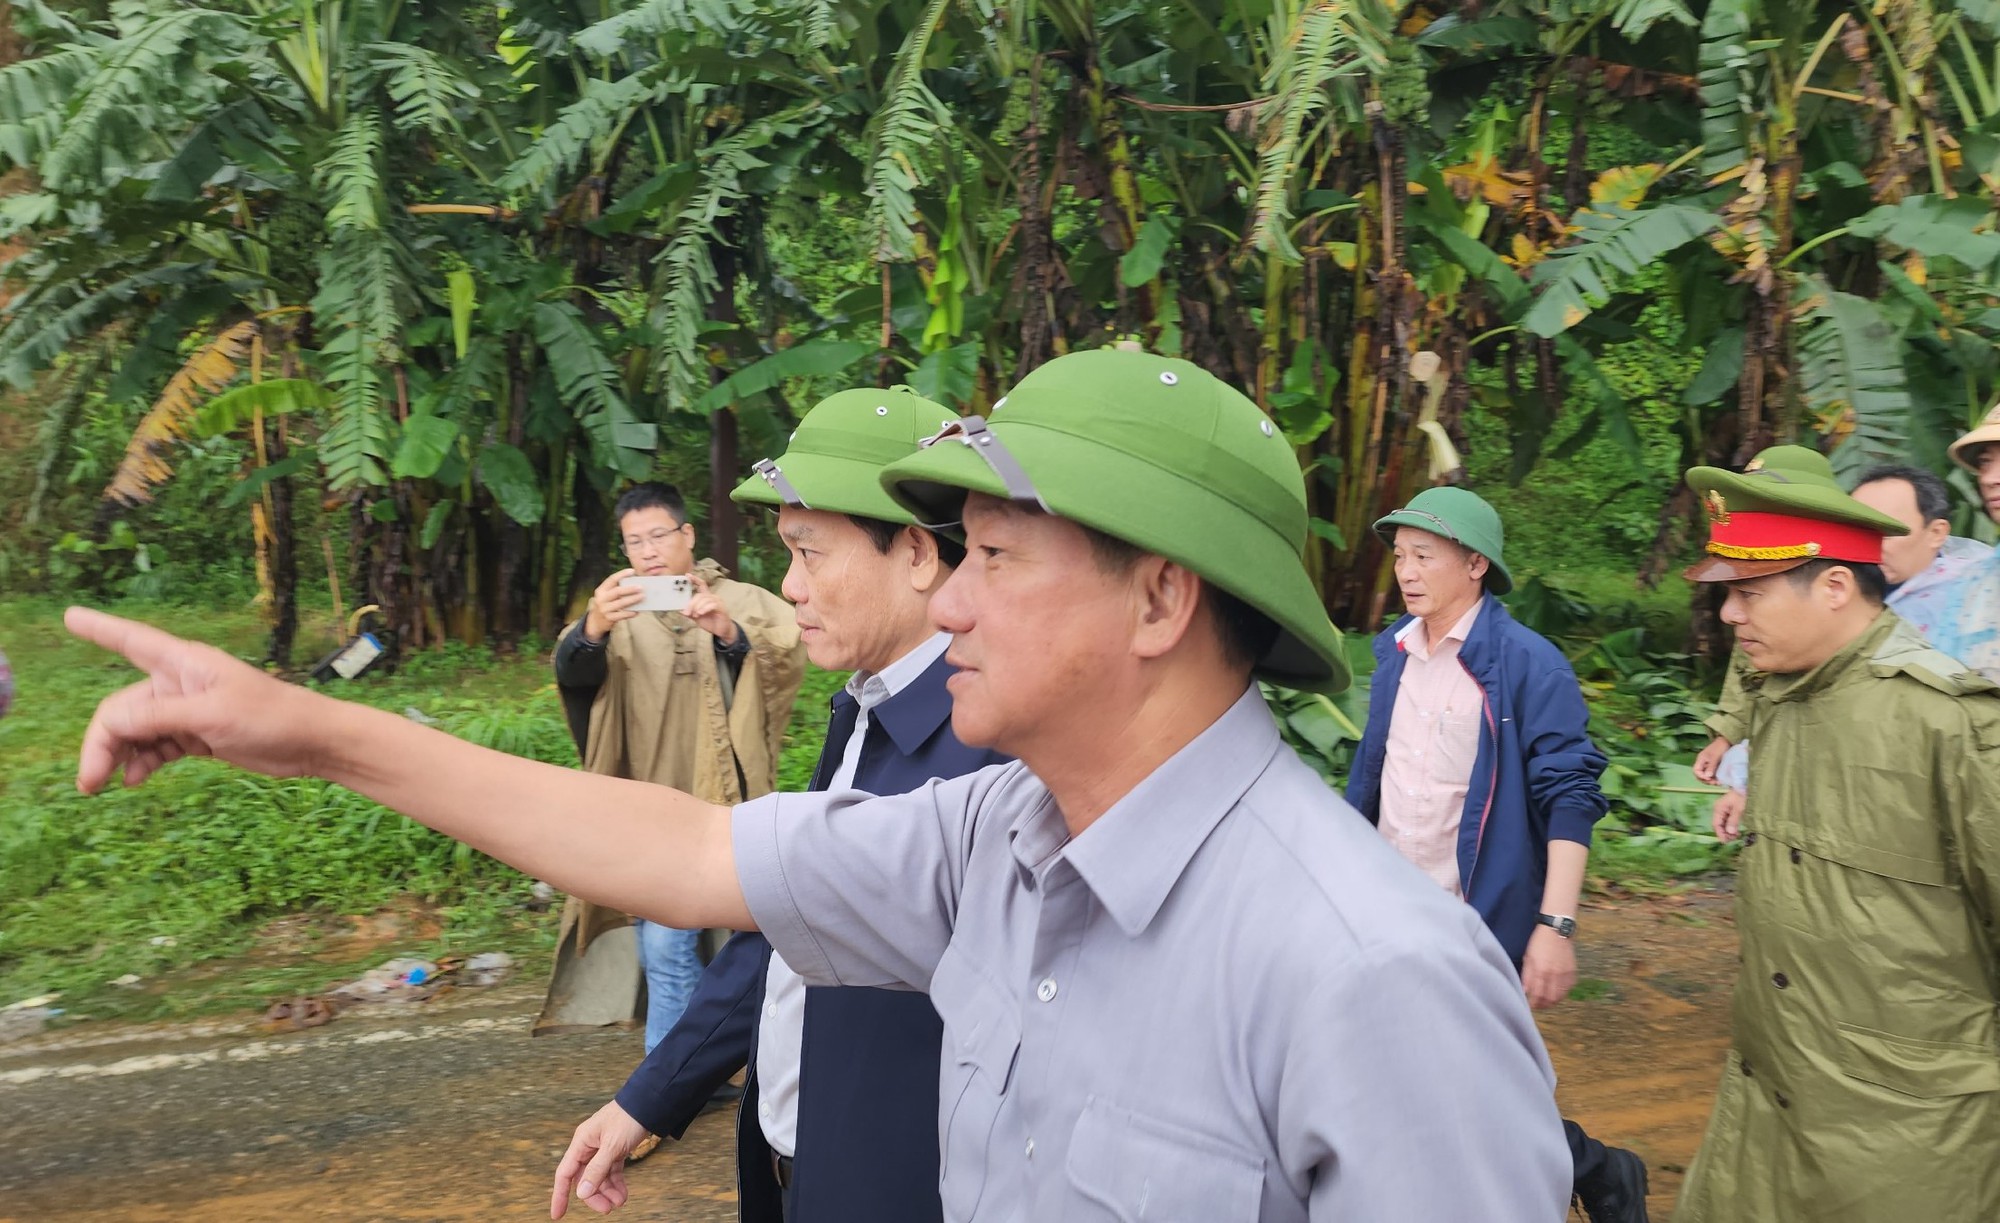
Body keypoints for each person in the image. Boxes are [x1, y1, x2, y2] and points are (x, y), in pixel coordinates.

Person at [66, 348, 1572, 1222]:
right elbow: (687, 848)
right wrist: (312, 730)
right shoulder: (998, 834)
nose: (955, 602)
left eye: (990, 556)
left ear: (1160, 599)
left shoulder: (1371, 975)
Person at [553, 388, 1007, 1221]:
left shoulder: (992, 750)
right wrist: (647, 1098)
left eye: (809, 554)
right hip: (793, 1165)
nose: (792, 588)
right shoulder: (862, 709)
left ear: (914, 552)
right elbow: (785, 932)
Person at [1673, 444, 2000, 1223]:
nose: (1728, 615)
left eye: (1748, 593)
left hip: (1908, 1141)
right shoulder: (1785, 695)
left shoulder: (1948, 722)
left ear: (1833, 585)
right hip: (1768, 1101)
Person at [1344, 486, 1648, 1223]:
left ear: (1476, 563)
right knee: (1424, 1073)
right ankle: (1594, 1168)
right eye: (1399, 555)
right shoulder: (1394, 655)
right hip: (1390, 909)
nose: (1406, 571)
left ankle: (1592, 1168)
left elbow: (1570, 795)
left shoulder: (1527, 666)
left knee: (1463, 1076)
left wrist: (1557, 925)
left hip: (1475, 920)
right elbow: (1376, 774)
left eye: (1425, 555)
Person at [543, 482, 805, 1047]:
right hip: (647, 809)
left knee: (731, 942)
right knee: (666, 946)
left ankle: (689, 1073)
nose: (648, 551)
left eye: (658, 535)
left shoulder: (740, 600)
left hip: (722, 802)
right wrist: (591, 632)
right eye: (634, 542)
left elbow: (787, 658)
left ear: (686, 534)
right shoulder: (614, 611)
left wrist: (731, 636)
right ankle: (671, 1078)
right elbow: (575, 677)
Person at [1695, 457, 1994, 837]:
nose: (1870, 540)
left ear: (1936, 532)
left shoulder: (1980, 599)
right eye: (1860, 525)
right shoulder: (1806, 622)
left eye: (1887, 528)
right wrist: (1741, 765)